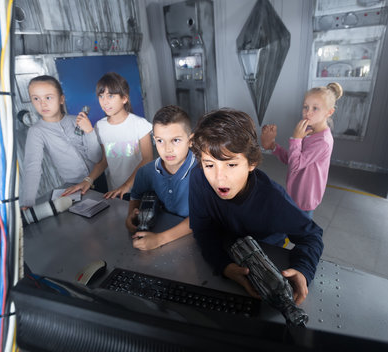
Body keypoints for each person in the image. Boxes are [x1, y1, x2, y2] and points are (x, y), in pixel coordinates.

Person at [189, 109, 324, 305]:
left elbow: (312, 236)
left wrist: (303, 270)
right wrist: (224, 266)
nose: (219, 178)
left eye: (231, 165)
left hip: (267, 259)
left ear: (251, 162)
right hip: (227, 254)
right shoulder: (199, 177)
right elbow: (202, 229)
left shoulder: (273, 198)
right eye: (210, 165)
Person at [64, 72, 153, 200]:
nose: (104, 102)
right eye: (101, 96)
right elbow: (103, 161)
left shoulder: (139, 124)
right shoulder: (100, 127)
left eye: (110, 96)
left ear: (124, 98)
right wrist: (88, 180)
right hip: (116, 191)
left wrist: (126, 186)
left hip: (141, 189)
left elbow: (147, 158)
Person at [260, 83, 343, 217]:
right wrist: (273, 146)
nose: (307, 112)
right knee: (289, 223)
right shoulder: (309, 130)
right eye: (305, 106)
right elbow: (293, 158)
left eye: (315, 108)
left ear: (329, 112)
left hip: (306, 197)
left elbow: (295, 165)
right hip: (295, 190)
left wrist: (296, 139)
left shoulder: (323, 141)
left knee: (300, 232)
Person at [20, 75, 102, 208]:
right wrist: (27, 203)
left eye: (48, 97)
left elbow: (97, 157)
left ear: (61, 99)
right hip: (73, 187)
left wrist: (89, 131)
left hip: (99, 177)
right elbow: (32, 168)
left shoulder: (77, 120)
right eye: (36, 98)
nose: (42, 104)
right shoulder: (36, 131)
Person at [125, 105, 196, 250]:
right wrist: (130, 216)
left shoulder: (203, 172)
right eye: (160, 141)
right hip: (160, 234)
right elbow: (135, 197)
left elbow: (202, 217)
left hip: (194, 241)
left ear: (190, 140)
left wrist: (159, 239)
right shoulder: (145, 172)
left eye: (175, 140)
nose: (167, 149)